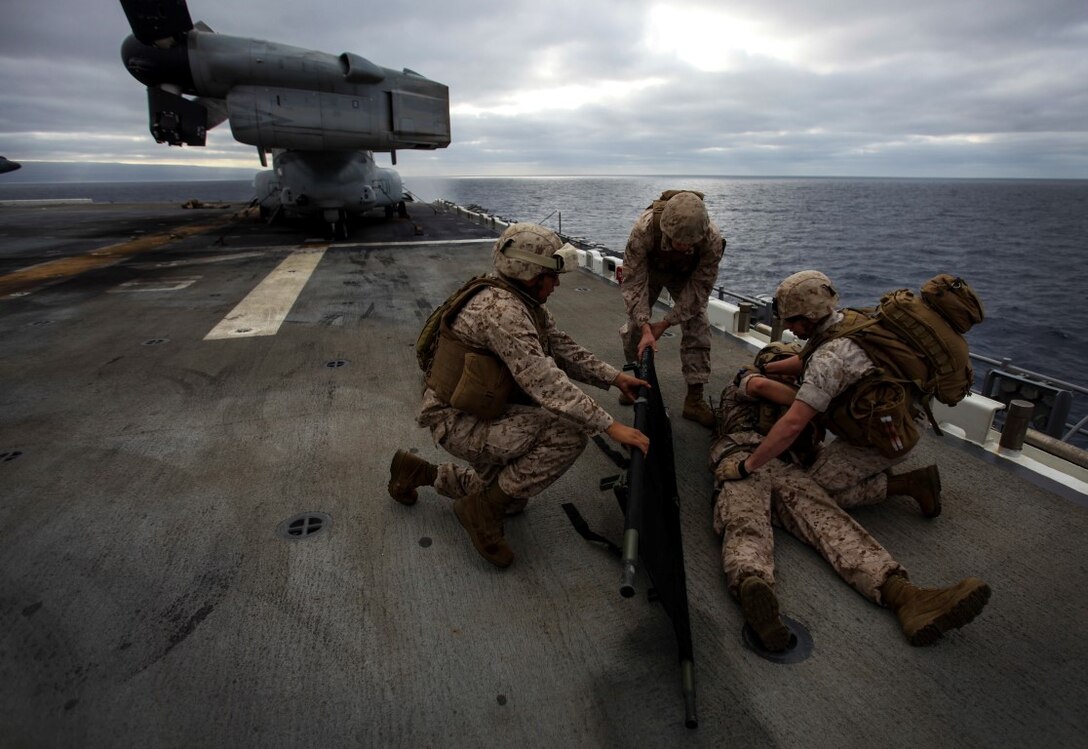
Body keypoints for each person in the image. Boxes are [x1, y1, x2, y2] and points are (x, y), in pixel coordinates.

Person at [388, 223, 650, 569]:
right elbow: (543, 379)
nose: (556, 284)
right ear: (530, 275)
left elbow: (560, 346)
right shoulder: (501, 312)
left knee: (513, 496)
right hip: (459, 422)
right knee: (569, 434)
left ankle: (419, 472)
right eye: (550, 276)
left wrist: (615, 378)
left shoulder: (518, 300)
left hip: (479, 410)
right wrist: (609, 425)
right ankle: (481, 512)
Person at [711, 346, 991, 650]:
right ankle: (754, 584)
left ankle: (905, 596)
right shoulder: (746, 378)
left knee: (819, 517)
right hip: (742, 453)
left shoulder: (804, 394)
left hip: (783, 462)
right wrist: (814, 403)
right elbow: (763, 387)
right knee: (755, 514)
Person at [717, 270, 943, 517]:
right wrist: (766, 368)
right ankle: (869, 468)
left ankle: (911, 484)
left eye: (792, 321)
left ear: (810, 316)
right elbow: (805, 360)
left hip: (891, 435)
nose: (789, 328)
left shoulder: (829, 360)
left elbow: (793, 424)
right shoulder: (847, 321)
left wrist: (746, 466)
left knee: (808, 493)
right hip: (899, 412)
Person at [619, 190, 726, 428]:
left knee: (698, 325)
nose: (680, 246)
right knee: (635, 326)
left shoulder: (711, 240)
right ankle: (636, 382)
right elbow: (633, 281)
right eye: (676, 240)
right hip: (651, 269)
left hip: (686, 275)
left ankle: (694, 399)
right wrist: (646, 325)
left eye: (687, 243)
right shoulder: (644, 229)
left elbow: (699, 289)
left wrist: (665, 322)